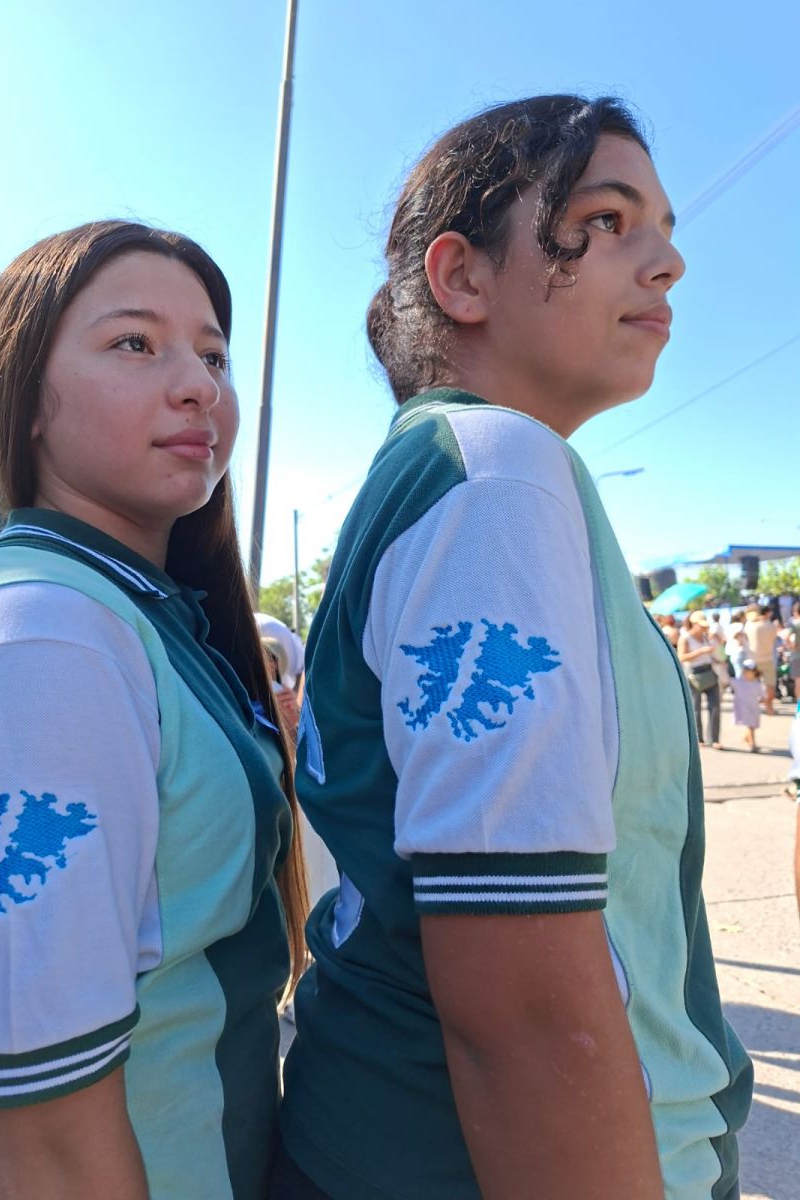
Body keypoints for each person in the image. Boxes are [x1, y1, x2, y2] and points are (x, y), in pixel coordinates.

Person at [274, 95, 751, 1200]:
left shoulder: (470, 470)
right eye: (607, 220)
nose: (668, 261)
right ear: (463, 278)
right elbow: (525, 1015)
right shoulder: (494, 474)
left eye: (662, 226)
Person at [0, 220, 307, 1199]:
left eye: (213, 355)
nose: (198, 384)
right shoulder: (44, 641)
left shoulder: (140, 610)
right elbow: (44, 1136)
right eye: (135, 342)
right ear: (24, 401)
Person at [679, 612, 723, 749]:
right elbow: (681, 657)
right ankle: (699, 738)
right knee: (695, 708)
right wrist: (701, 651)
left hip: (709, 671)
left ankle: (714, 739)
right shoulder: (685, 638)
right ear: (694, 624)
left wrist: (716, 657)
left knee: (715, 706)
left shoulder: (705, 636)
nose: (704, 628)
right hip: (694, 673)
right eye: (701, 625)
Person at [745, 604, 778, 714]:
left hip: (753, 658)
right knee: (770, 684)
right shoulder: (771, 626)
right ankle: (769, 707)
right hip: (768, 658)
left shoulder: (750, 625)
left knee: (752, 684)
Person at [732, 659, 764, 752]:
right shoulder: (739, 682)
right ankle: (752, 744)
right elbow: (726, 680)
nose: (746, 673)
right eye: (745, 671)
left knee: (752, 726)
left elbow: (762, 695)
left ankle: (748, 738)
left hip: (754, 708)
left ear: (754, 672)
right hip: (744, 708)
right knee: (751, 725)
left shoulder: (757, 683)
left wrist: (762, 701)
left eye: (749, 671)